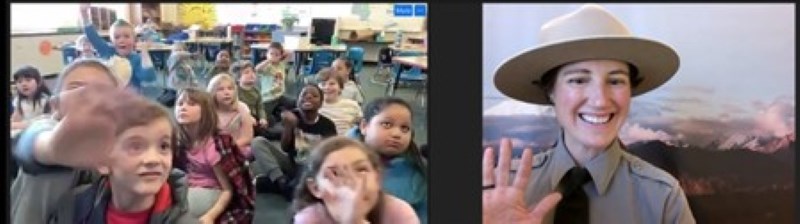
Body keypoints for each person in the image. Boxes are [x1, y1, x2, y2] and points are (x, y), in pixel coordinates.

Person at [483, 4, 695, 223]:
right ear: (550, 91)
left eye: (615, 81)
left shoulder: (663, 197)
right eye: (578, 80)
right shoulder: (499, 192)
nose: (600, 100)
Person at [10, 58, 197, 224]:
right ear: (55, 105)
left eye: (103, 92)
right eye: (76, 87)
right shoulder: (46, 128)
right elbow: (30, 140)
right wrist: (52, 148)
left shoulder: (117, 151)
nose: (89, 97)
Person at [292, 136, 419, 224]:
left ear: (377, 178)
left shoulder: (399, 212)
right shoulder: (310, 219)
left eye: (361, 169)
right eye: (335, 173)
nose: (351, 181)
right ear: (316, 188)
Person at [174, 88, 255, 223]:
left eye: (191, 104)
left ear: (206, 111)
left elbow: (227, 190)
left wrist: (211, 216)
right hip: (187, 186)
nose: (183, 108)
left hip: (211, 191)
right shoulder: (178, 139)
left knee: (179, 210)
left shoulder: (213, 145)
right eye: (180, 103)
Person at [349, 97, 428, 224]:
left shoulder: (419, 173)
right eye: (387, 124)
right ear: (364, 126)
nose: (397, 134)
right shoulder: (337, 163)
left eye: (405, 128)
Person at [79, 4, 156, 93]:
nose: (121, 40)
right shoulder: (108, 52)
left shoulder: (136, 59)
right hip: (109, 100)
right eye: (117, 37)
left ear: (134, 40)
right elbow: (92, 36)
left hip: (130, 102)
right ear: (112, 41)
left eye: (126, 36)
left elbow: (149, 77)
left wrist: (144, 53)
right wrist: (84, 14)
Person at [207, 74, 255, 154]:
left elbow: (247, 137)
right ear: (212, 92)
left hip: (237, 147)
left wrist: (228, 148)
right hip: (213, 149)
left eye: (230, 88)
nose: (227, 92)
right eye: (220, 89)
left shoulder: (242, 108)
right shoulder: (208, 110)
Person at [230, 60, 271, 138]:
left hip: (254, 117)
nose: (251, 74)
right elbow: (235, 108)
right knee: (265, 132)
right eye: (246, 73)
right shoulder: (235, 91)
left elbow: (260, 107)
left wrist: (263, 118)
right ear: (238, 78)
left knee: (270, 120)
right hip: (241, 119)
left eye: (253, 72)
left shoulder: (256, 91)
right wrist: (248, 117)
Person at [317, 68, 363, 136]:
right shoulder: (315, 106)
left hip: (344, 143)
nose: (327, 87)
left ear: (340, 87)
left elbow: (362, 125)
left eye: (332, 84)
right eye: (323, 84)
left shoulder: (352, 105)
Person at [11, 66, 52, 134]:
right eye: (19, 82)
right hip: (24, 131)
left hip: (41, 132)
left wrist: (20, 125)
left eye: (28, 80)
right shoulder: (19, 101)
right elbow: (15, 120)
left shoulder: (46, 100)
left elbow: (47, 122)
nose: (23, 84)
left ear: (38, 82)